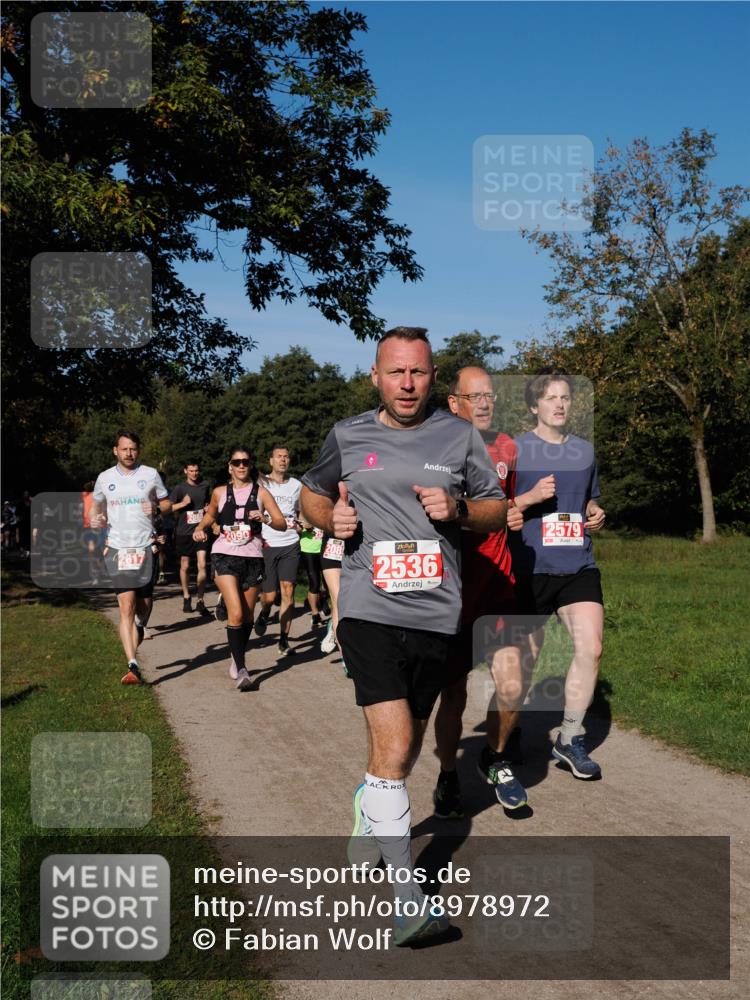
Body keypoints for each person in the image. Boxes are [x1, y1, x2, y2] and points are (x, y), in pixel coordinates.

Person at [301, 326, 505, 946]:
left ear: (432, 376)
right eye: (395, 372)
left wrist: (460, 511)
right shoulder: (348, 433)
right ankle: (407, 900)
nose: (407, 384)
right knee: (393, 748)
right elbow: (311, 495)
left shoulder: (460, 436)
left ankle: (371, 801)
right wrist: (328, 517)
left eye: (417, 373)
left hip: (435, 613)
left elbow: (496, 506)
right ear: (376, 377)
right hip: (367, 608)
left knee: (406, 748)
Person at [432, 366, 528, 818]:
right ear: (454, 403)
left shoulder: (508, 447)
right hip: (451, 591)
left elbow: (517, 500)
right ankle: (448, 774)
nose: (486, 403)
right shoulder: (433, 448)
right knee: (453, 695)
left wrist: (517, 512)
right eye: (476, 396)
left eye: (490, 395)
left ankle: (495, 756)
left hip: (498, 587)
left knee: (512, 685)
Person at [508, 370, 606, 779]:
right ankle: (506, 735)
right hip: (529, 566)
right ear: (534, 406)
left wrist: (596, 512)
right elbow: (493, 508)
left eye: (565, 397)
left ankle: (568, 738)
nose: (560, 404)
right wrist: (528, 498)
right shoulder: (513, 450)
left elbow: (589, 501)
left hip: (576, 565)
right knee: (523, 662)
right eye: (551, 398)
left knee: (592, 648)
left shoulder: (584, 452)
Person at [193, 446, 286, 691]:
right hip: (224, 554)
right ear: (230, 466)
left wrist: (264, 519)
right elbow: (211, 514)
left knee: (246, 616)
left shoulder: (262, 493)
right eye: (237, 462)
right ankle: (243, 668)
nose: (241, 466)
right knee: (235, 614)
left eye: (245, 462)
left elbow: (281, 523)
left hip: (253, 556)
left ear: (251, 464)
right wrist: (200, 528)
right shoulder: (220, 492)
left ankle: (236, 657)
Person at [90, 430, 172, 685]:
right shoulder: (104, 478)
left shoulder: (150, 474)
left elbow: (168, 503)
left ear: (138, 450)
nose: (129, 453)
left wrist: (157, 507)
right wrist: (96, 518)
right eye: (124, 449)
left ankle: (140, 622)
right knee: (125, 607)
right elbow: (96, 505)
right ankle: (132, 664)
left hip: (145, 548)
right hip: (118, 549)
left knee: (143, 606)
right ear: (115, 450)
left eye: (133, 449)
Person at [253, 446, 302, 657]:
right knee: (270, 596)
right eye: (279, 457)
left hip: (291, 543)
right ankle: (264, 612)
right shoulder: (261, 484)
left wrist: (302, 523)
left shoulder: (297, 485)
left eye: (286, 456)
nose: (283, 460)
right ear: (271, 461)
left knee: (288, 592)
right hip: (268, 543)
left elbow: (302, 511)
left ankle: (284, 640)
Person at [170, 460, 211, 615]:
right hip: (184, 533)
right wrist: (182, 503)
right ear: (185, 471)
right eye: (191, 471)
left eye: (196, 471)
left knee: (202, 564)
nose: (194, 473)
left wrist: (207, 508)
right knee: (185, 566)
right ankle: (187, 596)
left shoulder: (205, 485)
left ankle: (200, 600)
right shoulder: (180, 488)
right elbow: (169, 507)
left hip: (200, 531)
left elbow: (208, 504)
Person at [298, 516, 328, 628]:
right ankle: (315, 615)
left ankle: (324, 598)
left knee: (329, 583)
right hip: (309, 550)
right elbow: (297, 527)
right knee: (315, 583)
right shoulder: (305, 509)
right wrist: (306, 527)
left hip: (326, 548)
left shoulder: (329, 507)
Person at [319, 535, 344, 657]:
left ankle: (333, 628)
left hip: (361, 547)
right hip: (334, 545)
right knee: (339, 599)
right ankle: (345, 656)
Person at [81, 481, 106, 584]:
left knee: (102, 552)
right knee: (92, 550)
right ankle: (95, 574)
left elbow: (105, 508)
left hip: (101, 526)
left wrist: (103, 515)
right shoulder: (84, 495)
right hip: (88, 527)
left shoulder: (102, 496)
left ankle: (100, 571)